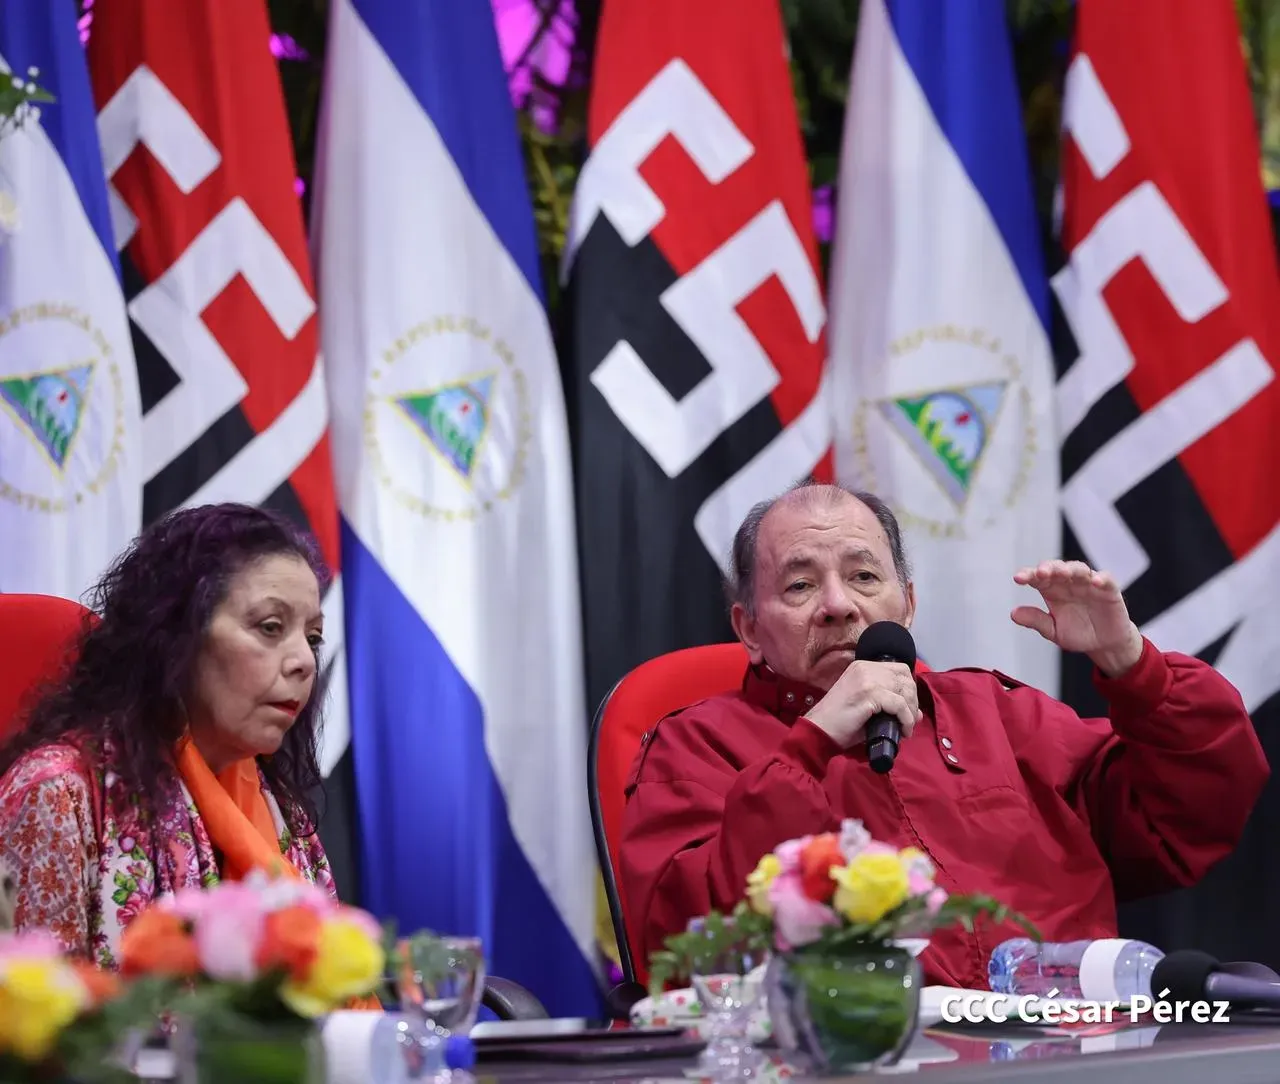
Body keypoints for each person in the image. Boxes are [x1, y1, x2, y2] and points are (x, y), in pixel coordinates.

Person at [618, 482, 1268, 989]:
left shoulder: (998, 714)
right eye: (800, 584)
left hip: (1070, 1051)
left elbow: (1191, 816)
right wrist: (810, 745)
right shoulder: (696, 746)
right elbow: (682, 948)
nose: (839, 604)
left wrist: (1136, 667)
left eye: (865, 577)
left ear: (907, 603)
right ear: (750, 629)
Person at [0, 503, 340, 968]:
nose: (304, 660)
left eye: (313, 637)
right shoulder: (60, 792)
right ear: (175, 636)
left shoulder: (284, 818)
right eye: (270, 627)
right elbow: (33, 1025)